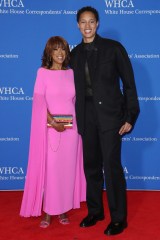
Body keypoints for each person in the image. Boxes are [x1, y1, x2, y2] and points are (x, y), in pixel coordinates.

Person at [70, 6, 140, 236]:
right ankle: (95, 211)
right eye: (83, 22)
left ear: (98, 23)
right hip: (86, 117)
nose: (87, 26)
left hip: (111, 117)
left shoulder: (114, 49)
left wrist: (130, 116)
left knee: (111, 168)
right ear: (78, 25)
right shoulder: (75, 54)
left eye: (91, 21)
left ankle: (119, 218)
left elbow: (129, 84)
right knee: (91, 167)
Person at [20, 36, 86, 228]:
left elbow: (75, 102)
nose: (59, 53)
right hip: (51, 128)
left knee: (67, 170)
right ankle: (49, 211)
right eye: (55, 49)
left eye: (63, 49)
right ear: (48, 52)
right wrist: (52, 122)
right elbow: (39, 103)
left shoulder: (72, 73)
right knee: (52, 171)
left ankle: (64, 208)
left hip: (71, 130)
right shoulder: (42, 73)